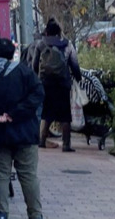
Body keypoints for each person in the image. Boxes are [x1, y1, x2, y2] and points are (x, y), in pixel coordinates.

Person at [0, 37, 45, 219]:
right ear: (12, 54)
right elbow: (38, 94)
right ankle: (36, 216)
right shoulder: (24, 72)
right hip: (25, 131)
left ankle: (1, 214)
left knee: (1, 173)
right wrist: (15, 114)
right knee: (29, 175)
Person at [33, 18, 82, 151]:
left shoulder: (41, 44)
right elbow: (74, 64)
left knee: (46, 112)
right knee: (65, 114)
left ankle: (41, 140)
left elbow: (35, 65)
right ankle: (66, 144)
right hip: (63, 83)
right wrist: (78, 78)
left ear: (46, 31)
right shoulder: (67, 44)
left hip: (46, 83)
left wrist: (37, 80)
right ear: (59, 32)